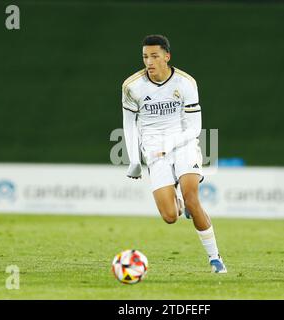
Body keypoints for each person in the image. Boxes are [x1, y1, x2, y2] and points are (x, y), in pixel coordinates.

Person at [122, 34, 227, 273]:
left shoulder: (185, 83)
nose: (149, 61)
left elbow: (194, 128)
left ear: (167, 56)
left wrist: (169, 144)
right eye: (145, 57)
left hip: (183, 143)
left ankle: (215, 259)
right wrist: (134, 160)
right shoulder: (131, 86)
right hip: (153, 149)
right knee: (170, 216)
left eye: (154, 56)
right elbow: (129, 124)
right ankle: (177, 203)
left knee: (193, 197)